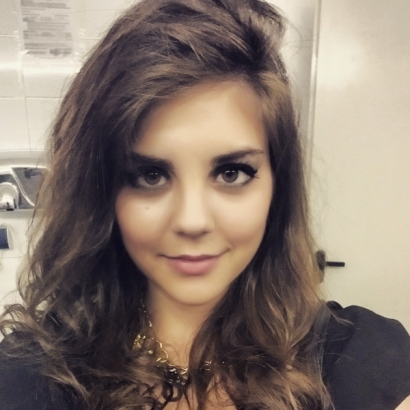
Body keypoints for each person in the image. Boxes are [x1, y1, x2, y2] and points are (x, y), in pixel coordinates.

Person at [0, 0, 409, 409]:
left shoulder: (365, 359)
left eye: (231, 173)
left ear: (277, 185)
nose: (192, 221)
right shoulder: (30, 376)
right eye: (150, 175)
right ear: (101, 192)